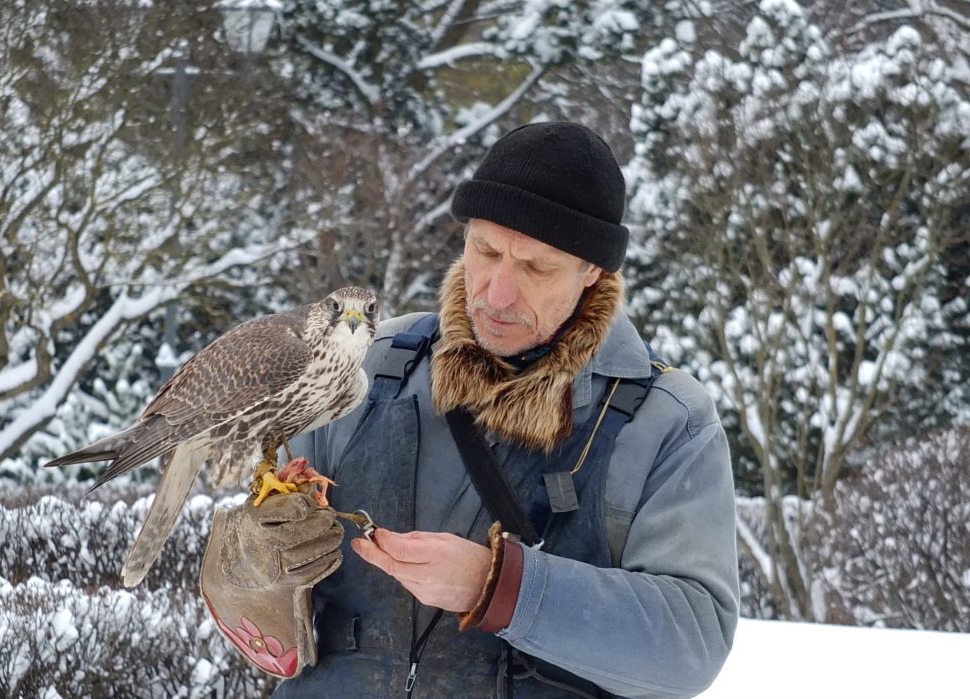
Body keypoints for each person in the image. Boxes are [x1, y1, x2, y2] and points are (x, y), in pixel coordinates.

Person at [275, 122, 739, 698]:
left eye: (536, 267)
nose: (496, 293)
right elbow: (271, 559)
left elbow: (691, 645)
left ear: (592, 271)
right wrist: (254, 584)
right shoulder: (368, 365)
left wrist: (498, 588)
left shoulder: (667, 419)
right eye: (485, 250)